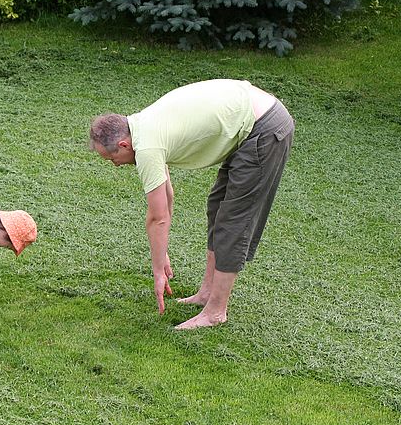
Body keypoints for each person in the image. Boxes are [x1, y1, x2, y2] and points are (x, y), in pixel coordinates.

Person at [89, 79, 294, 330]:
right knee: (217, 205)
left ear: (123, 144)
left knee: (233, 221)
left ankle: (216, 312)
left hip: (263, 127)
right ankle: (207, 293)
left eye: (112, 158)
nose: (115, 165)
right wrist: (161, 252)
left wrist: (157, 270)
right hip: (248, 119)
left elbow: (158, 217)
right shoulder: (142, 125)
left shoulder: (147, 146)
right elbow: (168, 195)